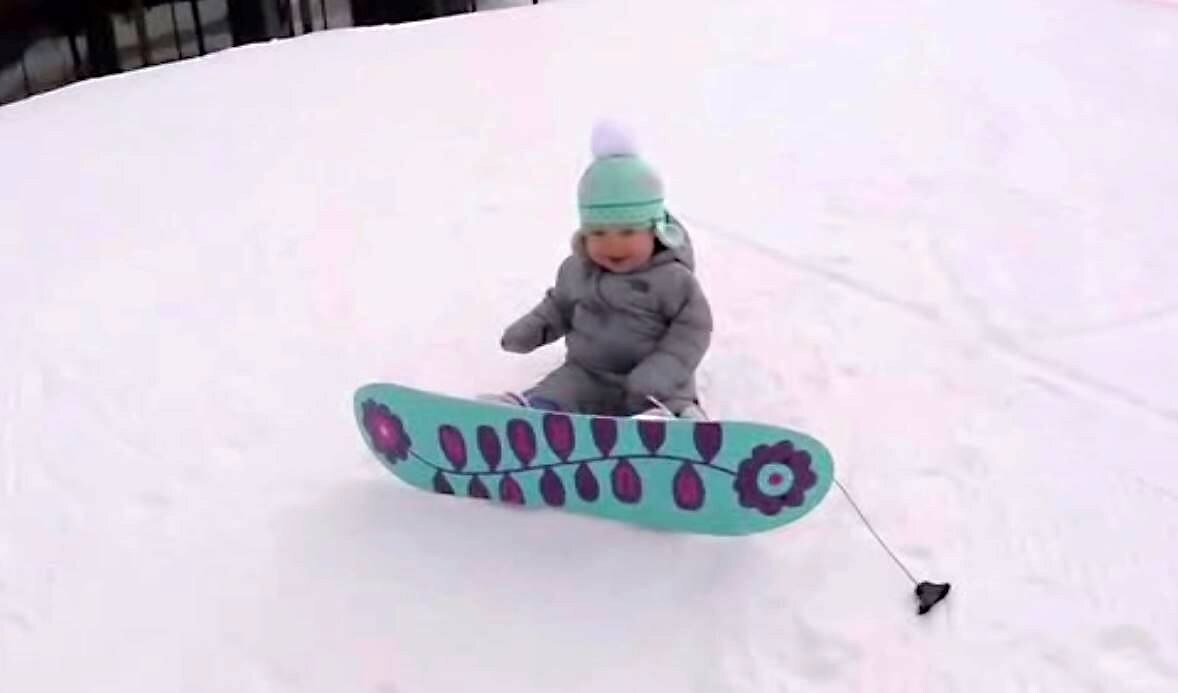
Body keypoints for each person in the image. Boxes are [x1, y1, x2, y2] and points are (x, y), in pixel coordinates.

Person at [483, 121, 712, 419]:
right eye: (599, 233)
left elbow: (692, 331)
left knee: (665, 402)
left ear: (655, 231)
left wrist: (663, 369)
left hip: (656, 382)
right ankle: (526, 416)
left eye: (628, 232)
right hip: (587, 373)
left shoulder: (673, 280)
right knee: (560, 389)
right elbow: (558, 307)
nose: (613, 245)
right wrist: (533, 329)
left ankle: (678, 427)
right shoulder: (576, 271)